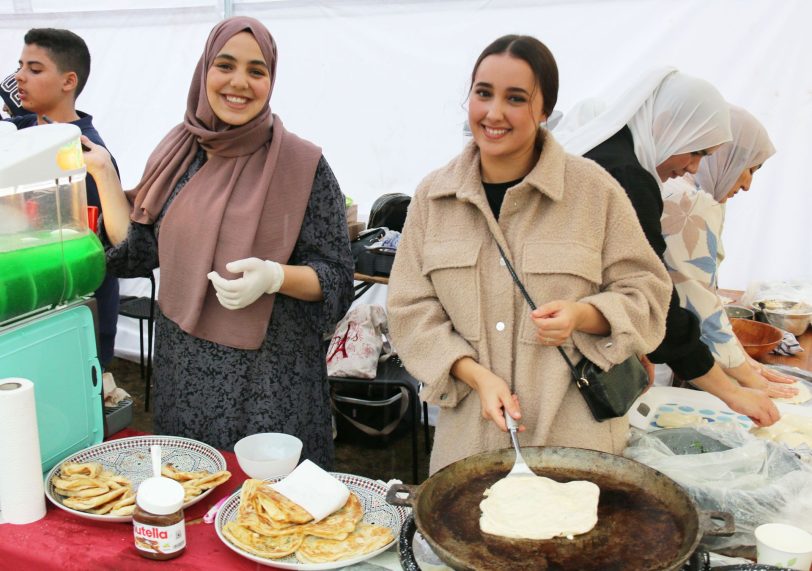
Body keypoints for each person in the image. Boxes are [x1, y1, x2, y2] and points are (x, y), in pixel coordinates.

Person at [387, 35, 672, 474]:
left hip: (577, 448)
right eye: (483, 94)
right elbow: (410, 309)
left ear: (543, 112)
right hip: (469, 448)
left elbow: (648, 293)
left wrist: (583, 315)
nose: (494, 113)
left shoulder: (593, 192)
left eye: (515, 98)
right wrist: (474, 375)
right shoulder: (433, 197)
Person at [82, 17, 354, 466]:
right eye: (225, 65)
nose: (239, 83)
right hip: (186, 372)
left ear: (271, 80)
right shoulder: (179, 152)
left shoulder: (303, 165)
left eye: (256, 70)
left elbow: (338, 281)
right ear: (205, 69)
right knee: (193, 496)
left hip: (270, 381)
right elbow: (137, 252)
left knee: (272, 514)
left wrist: (275, 276)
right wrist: (105, 175)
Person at [553, 68, 780, 427]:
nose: (692, 167)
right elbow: (656, 302)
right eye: (695, 152)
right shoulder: (628, 175)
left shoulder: (610, 150)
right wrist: (732, 392)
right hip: (563, 353)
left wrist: (636, 340)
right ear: (671, 125)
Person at [662, 105, 797, 398]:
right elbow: (697, 301)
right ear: (724, 154)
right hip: (660, 359)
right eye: (749, 168)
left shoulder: (689, 190)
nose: (747, 184)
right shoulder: (687, 199)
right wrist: (749, 376)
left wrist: (744, 362)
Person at [5, 29, 120, 369]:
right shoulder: (21, 132)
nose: (19, 77)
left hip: (71, 322)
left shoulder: (88, 155)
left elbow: (101, 251)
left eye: (35, 70)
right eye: (19, 66)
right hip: (22, 309)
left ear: (69, 81)